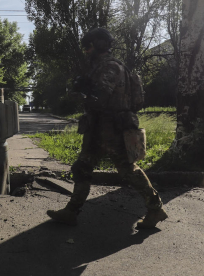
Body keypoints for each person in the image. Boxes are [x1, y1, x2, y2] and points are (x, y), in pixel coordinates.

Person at [46, 28, 168, 229]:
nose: (86, 51)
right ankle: (71, 211)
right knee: (82, 167)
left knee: (128, 170)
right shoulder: (102, 66)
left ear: (99, 45)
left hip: (112, 128)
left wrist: (80, 94)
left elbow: (100, 99)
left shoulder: (110, 67)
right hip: (98, 127)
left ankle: (155, 209)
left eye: (89, 47)